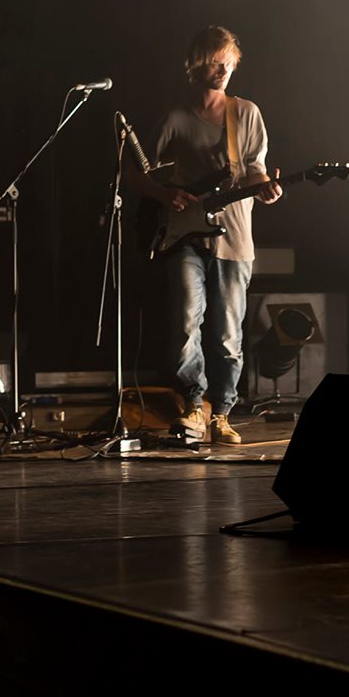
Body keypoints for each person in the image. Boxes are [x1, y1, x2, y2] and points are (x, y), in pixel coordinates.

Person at [130, 26, 282, 445]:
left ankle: (223, 413)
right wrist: (165, 194)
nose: (223, 70)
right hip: (184, 238)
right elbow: (134, 174)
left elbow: (255, 169)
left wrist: (267, 187)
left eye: (228, 63)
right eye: (216, 62)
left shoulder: (246, 113)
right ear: (196, 65)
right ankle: (194, 405)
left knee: (229, 334)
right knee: (185, 323)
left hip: (234, 238)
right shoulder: (175, 119)